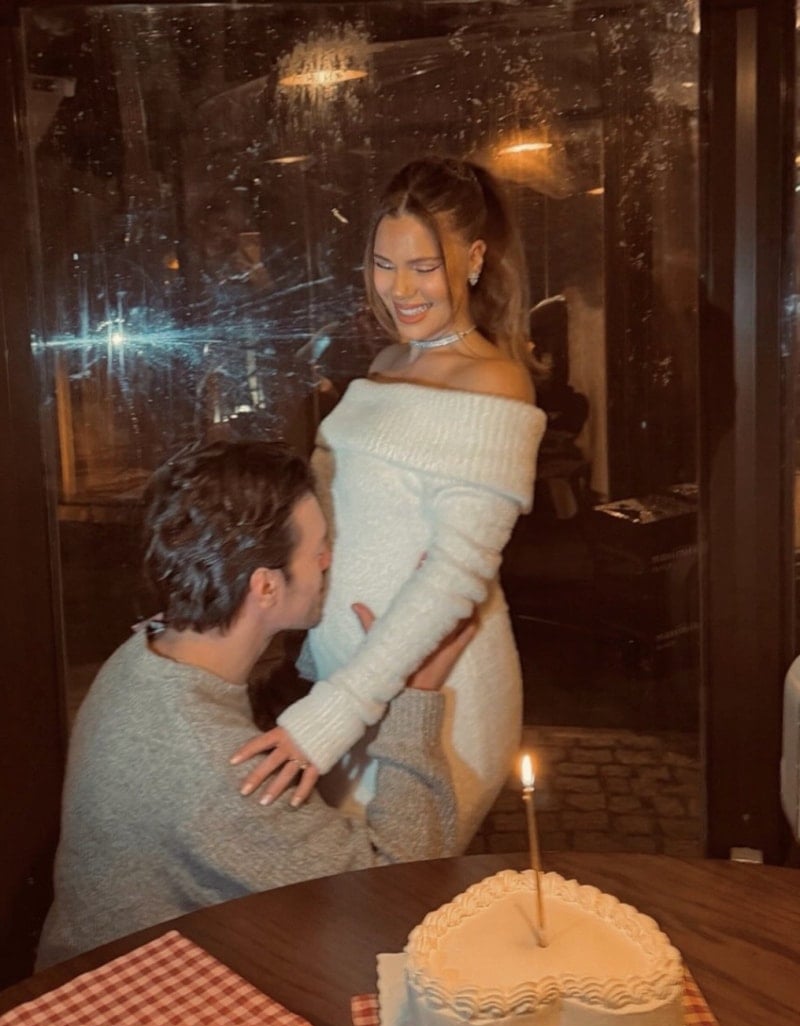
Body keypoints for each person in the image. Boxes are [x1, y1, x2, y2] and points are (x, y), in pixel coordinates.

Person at [36, 440, 466, 969]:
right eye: (318, 550)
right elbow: (401, 888)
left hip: (95, 967)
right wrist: (416, 695)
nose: (329, 561)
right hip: (135, 1004)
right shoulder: (221, 770)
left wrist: (355, 682)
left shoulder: (145, 650)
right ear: (265, 587)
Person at [232, 156, 547, 849]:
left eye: (424, 267)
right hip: (352, 674)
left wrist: (337, 711)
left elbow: (455, 576)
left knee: (397, 881)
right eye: (384, 264)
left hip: (435, 686)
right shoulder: (386, 365)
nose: (400, 289)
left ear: (474, 259)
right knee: (356, 894)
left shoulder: (494, 382)